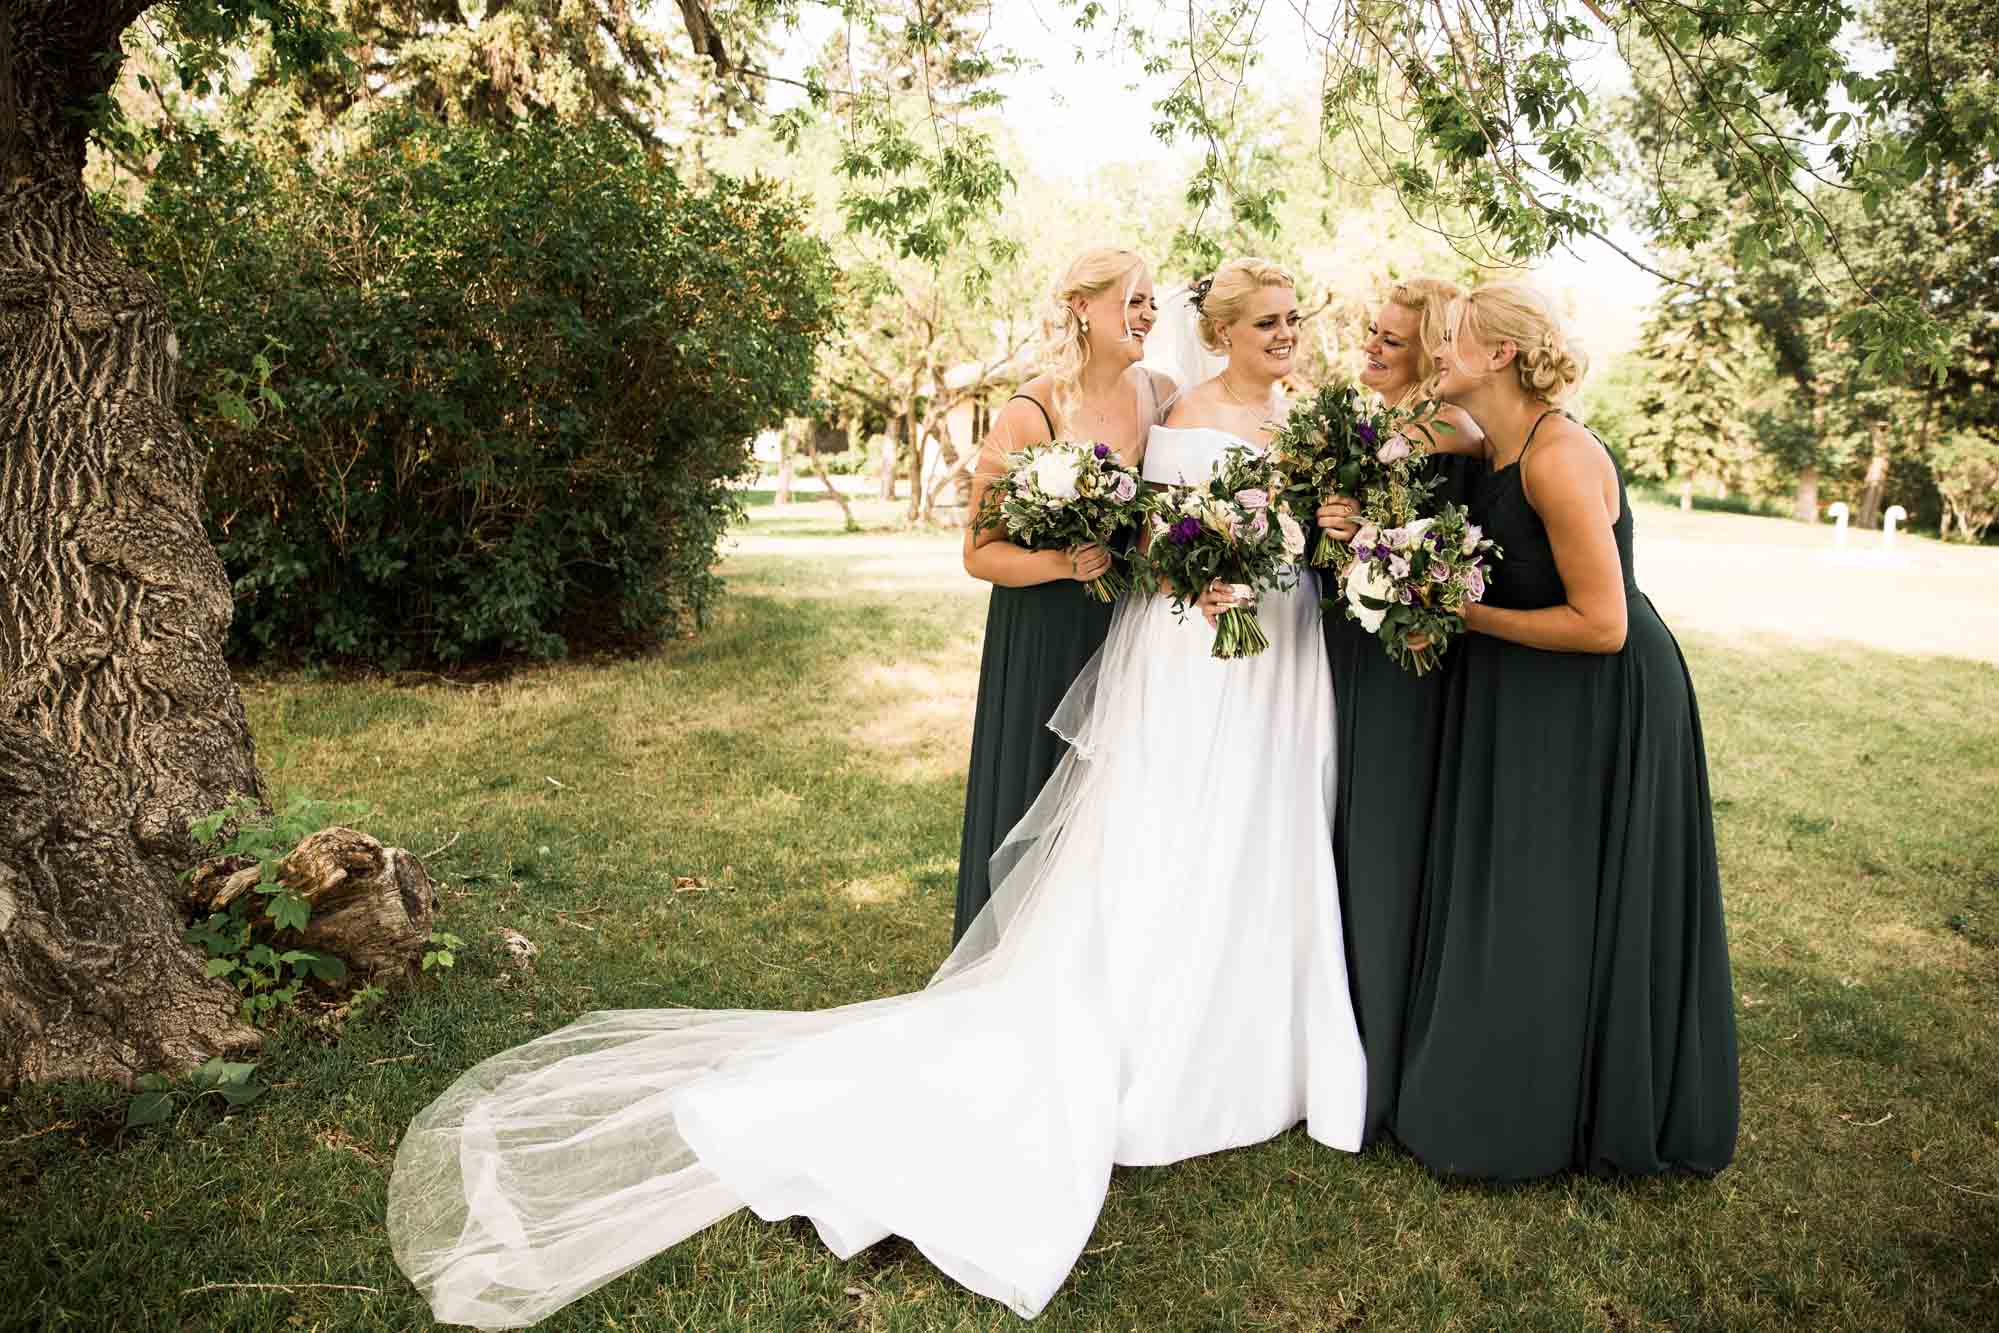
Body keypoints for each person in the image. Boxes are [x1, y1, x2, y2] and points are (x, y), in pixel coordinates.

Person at [384, 257, 1365, 1327]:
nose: (1285, 332)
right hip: (1163, 649)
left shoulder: (1193, 403)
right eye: (1265, 319)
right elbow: (1108, 535)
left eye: (1290, 318)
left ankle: (1254, 1033)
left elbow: (1212, 523)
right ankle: (1147, 1033)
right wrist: (1165, 565)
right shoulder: (1131, 412)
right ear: (1210, 326)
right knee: (1162, 834)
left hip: (1270, 649)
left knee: (1251, 835)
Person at [1393, 282, 1739, 1180]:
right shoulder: (1489, 441)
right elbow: (1408, 434)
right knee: (1527, 892)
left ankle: (1572, 1110)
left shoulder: (1557, 457)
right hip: (1527, 687)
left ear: (1501, 354)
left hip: (1598, 691)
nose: (1436, 350)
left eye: (1453, 338)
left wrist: (1466, 617)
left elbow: (1603, 623)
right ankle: (1515, 1090)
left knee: (1563, 896)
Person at [955, 247, 1174, 942]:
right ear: (1083, 307)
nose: (1146, 314)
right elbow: (978, 552)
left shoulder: (1163, 397)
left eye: (1150, 302)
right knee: (1036, 785)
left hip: (1129, 630)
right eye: (1133, 299)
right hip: (1046, 630)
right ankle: (1008, 945)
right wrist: (1057, 561)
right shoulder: (1030, 410)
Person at [1311, 279, 1484, 1147]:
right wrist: (1330, 518)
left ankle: (1381, 1059)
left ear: (1434, 350)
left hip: (1404, 666)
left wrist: (1358, 478)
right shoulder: (1365, 426)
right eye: (1368, 334)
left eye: (1392, 339)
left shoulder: (1448, 427)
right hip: (1341, 652)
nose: (1371, 348)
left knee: (1383, 839)